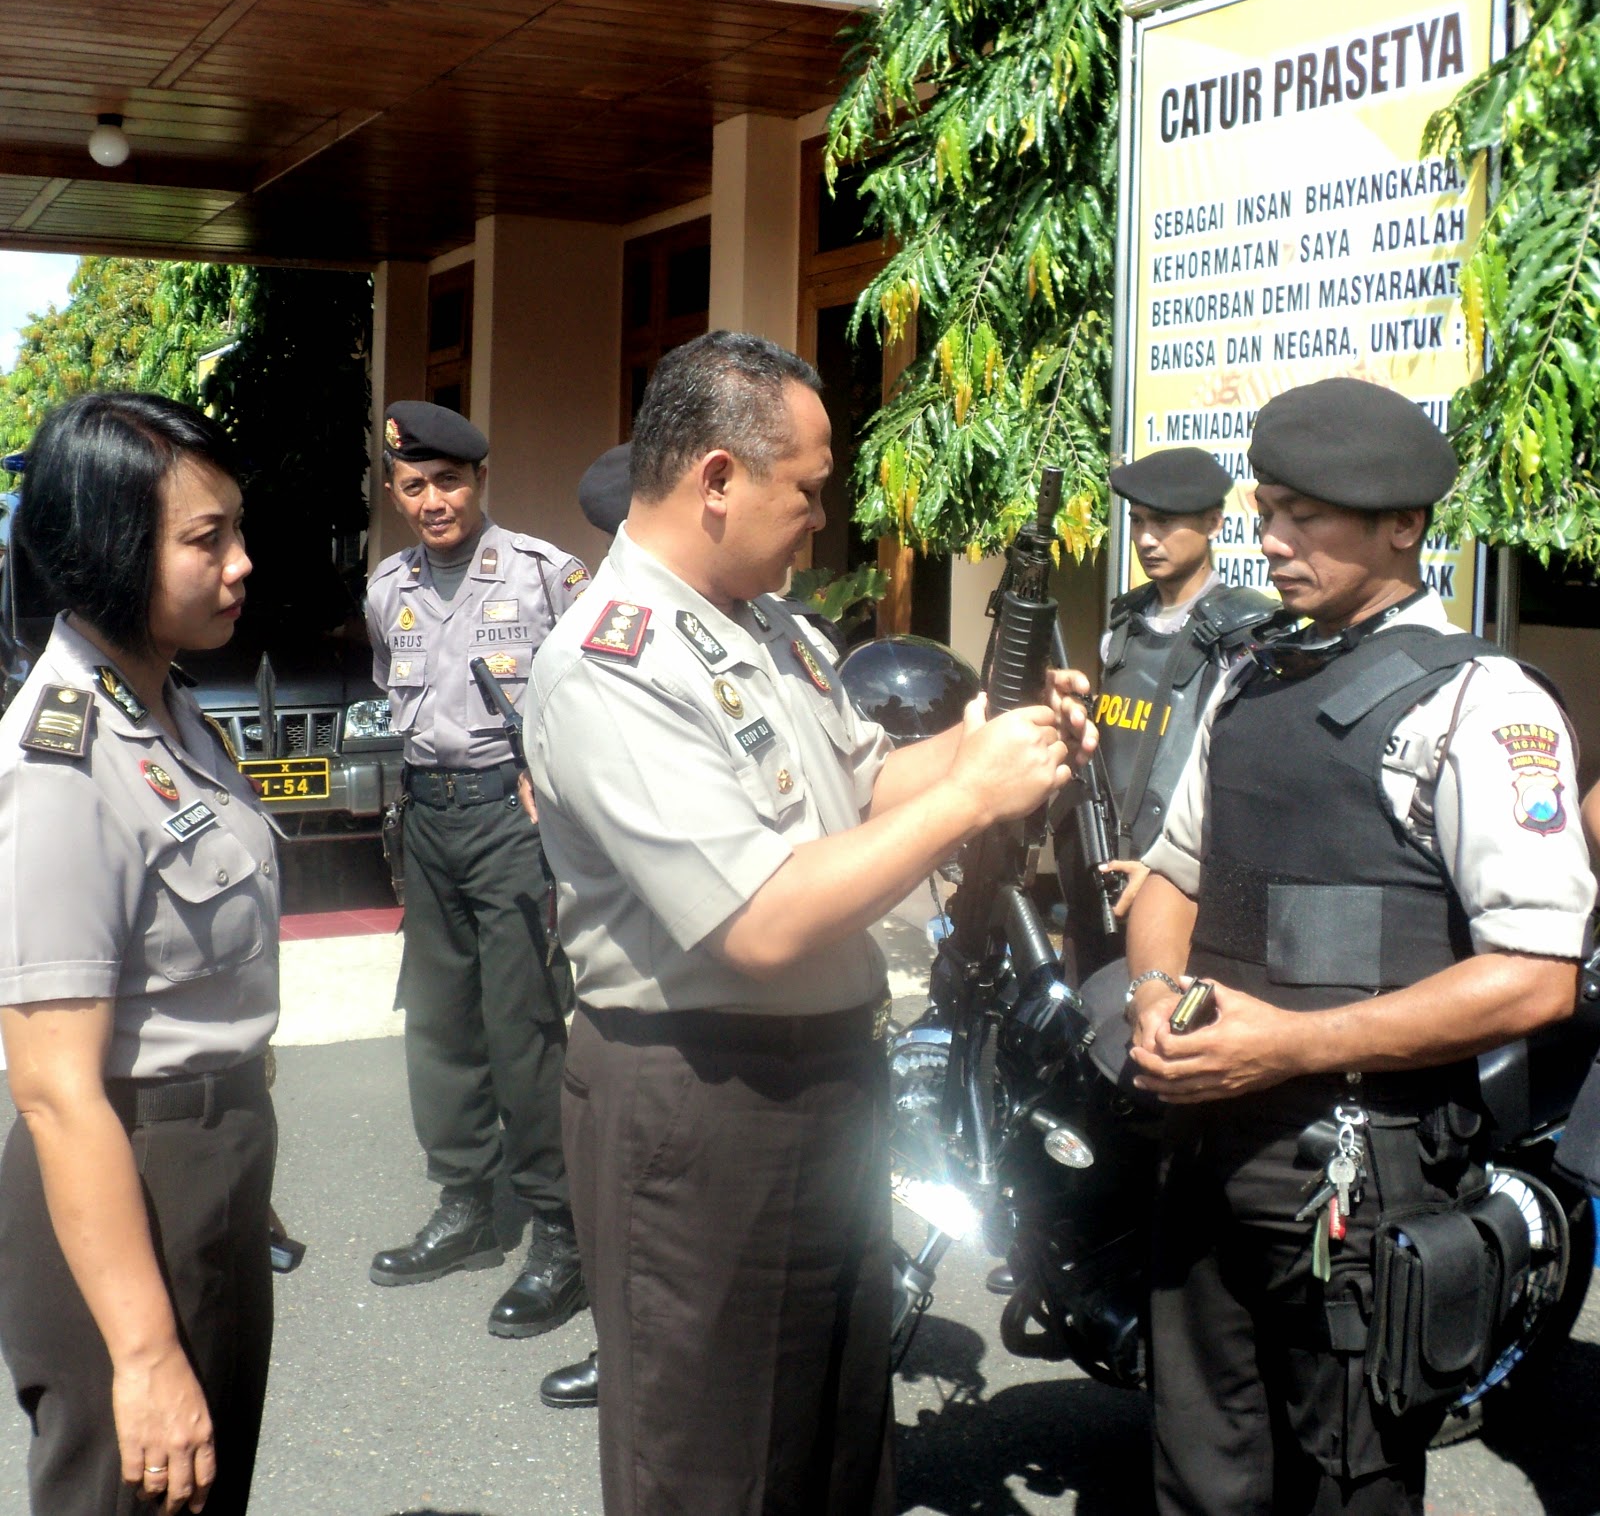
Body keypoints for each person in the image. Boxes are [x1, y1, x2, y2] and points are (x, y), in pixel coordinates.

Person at [526, 330, 1096, 1513]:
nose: (823, 518)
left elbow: (866, 782)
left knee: (835, 1443)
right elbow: (765, 921)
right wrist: (969, 800)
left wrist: (997, 743)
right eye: (810, 489)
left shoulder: (769, 624)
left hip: (824, 1082)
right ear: (718, 479)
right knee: (713, 1464)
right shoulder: (610, 662)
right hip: (700, 1099)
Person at [1123, 376, 1596, 1515]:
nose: (1273, 541)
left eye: (1308, 517)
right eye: (1269, 509)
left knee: (1347, 1478)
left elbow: (1534, 975)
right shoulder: (1246, 668)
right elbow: (1170, 869)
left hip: (1356, 1163)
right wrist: (1151, 986)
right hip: (1202, 1138)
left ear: (1404, 524)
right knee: (1199, 1464)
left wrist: (1290, 1042)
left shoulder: (1482, 705)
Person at [0, 392, 278, 1515]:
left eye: (235, 530)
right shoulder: (60, 757)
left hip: (202, 1168)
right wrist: (147, 1351)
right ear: (113, 546)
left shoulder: (163, 705)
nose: (241, 563)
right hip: (125, 1174)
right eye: (204, 539)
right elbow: (59, 1086)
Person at [366, 400, 588, 1340]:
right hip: (428, 819)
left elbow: (595, 701)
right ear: (394, 492)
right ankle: (462, 1203)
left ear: (479, 481)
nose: (432, 501)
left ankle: (558, 1231)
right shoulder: (387, 588)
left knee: (522, 1024)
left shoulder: (546, 575)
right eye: (413, 486)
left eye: (448, 481)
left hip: (510, 817)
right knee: (439, 1019)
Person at [1068, 447, 1273, 973]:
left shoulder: (1245, 635)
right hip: (1100, 871)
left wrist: (1174, 871)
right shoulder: (1123, 624)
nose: (1145, 539)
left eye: (1163, 521)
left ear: (1213, 523)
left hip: (1183, 891)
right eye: (1137, 521)